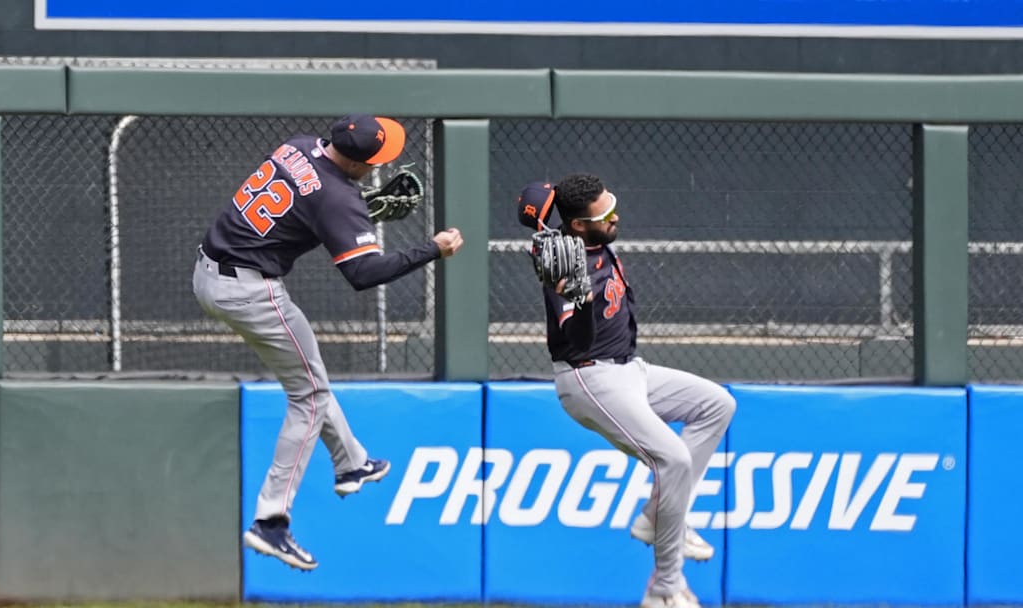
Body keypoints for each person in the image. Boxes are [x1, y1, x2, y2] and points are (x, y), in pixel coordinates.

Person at [193, 114, 464, 571]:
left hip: (210, 271)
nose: (380, 165)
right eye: (376, 160)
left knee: (309, 377)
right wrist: (432, 249)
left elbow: (303, 206)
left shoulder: (298, 146)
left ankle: (352, 462)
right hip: (250, 290)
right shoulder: (339, 198)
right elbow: (363, 272)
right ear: (359, 163)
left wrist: (355, 211)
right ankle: (271, 521)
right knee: (311, 397)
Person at [516, 175, 735, 608]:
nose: (615, 215)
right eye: (604, 214)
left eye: (612, 204)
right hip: (589, 377)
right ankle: (666, 586)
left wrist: (543, 215)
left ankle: (658, 516)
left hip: (630, 370)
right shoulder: (568, 266)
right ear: (579, 226)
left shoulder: (578, 238)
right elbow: (576, 341)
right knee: (672, 460)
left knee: (716, 404)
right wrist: (575, 300)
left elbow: (539, 199)